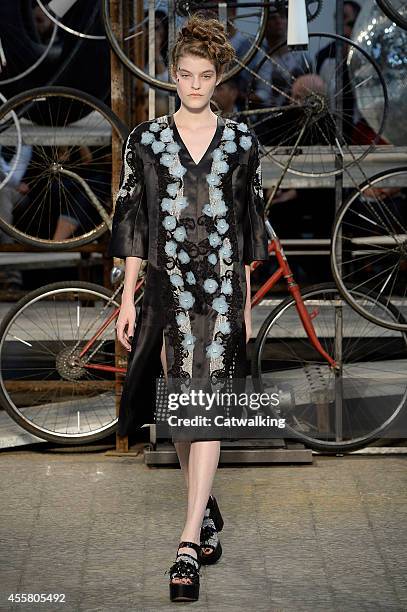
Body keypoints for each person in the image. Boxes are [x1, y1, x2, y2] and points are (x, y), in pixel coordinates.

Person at [107, 12, 269, 603]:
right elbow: (132, 223)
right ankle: (203, 512)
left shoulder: (242, 143)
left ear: (219, 76)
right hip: (167, 292)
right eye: (185, 74)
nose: (195, 86)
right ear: (172, 75)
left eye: (205, 76)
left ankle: (185, 544)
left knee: (205, 408)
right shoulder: (145, 142)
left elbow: (250, 232)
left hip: (222, 294)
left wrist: (247, 307)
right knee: (179, 410)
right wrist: (127, 299)